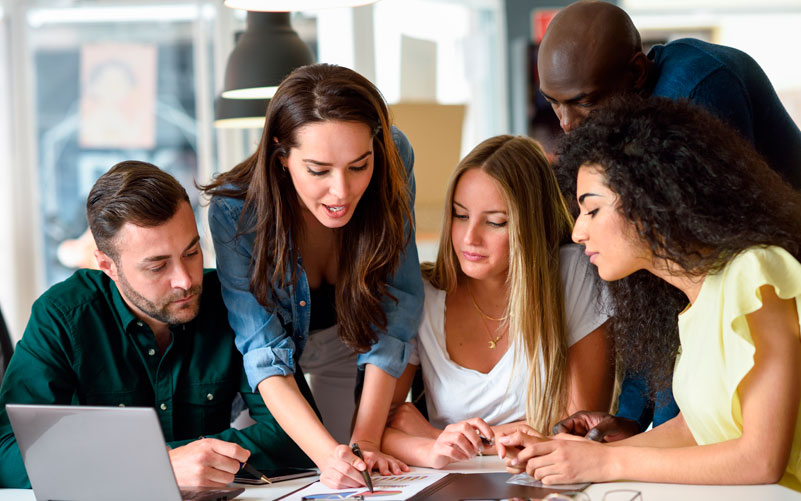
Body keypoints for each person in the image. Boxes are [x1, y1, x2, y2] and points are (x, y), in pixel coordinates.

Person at [497, 97, 801, 491]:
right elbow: (695, 429)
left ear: (651, 199)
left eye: (591, 210)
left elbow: (761, 460)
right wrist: (568, 453)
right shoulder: (695, 300)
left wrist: (604, 461)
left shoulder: (754, 275)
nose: (577, 232)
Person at [536, 0, 801, 439]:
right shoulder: (627, 119)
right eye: (553, 104)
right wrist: (631, 418)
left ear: (637, 74)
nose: (566, 124)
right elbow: (654, 284)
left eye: (582, 102)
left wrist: (652, 428)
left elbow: (688, 283)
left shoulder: (696, 94)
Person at [0, 161, 310, 488]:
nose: (185, 280)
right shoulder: (63, 317)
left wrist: (184, 461)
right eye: (157, 266)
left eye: (192, 252)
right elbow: (8, 453)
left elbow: (297, 436)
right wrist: (153, 466)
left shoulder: (231, 303)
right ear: (108, 266)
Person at [203, 63, 424, 489]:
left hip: (355, 338)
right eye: (319, 171)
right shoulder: (235, 211)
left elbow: (397, 302)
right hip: (276, 369)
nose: (341, 192)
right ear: (281, 156)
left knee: (361, 469)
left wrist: (365, 440)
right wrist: (328, 457)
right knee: (294, 475)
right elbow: (263, 352)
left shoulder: (395, 157)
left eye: (359, 166)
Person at [380, 135, 614, 468]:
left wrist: (438, 437)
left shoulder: (574, 274)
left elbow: (577, 428)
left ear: (530, 225)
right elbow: (382, 429)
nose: (469, 238)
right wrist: (433, 448)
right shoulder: (424, 294)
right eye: (460, 216)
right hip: (452, 483)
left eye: (495, 222)